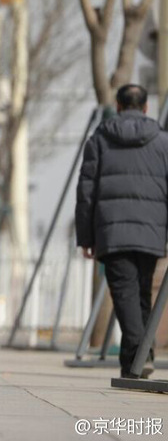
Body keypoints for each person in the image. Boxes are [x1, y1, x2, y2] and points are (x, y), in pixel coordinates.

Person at [75, 84, 168, 379]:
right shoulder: (163, 141)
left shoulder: (99, 139)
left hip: (111, 229)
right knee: (140, 292)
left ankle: (139, 354)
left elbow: (86, 191)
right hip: (152, 230)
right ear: (146, 107)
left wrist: (86, 236)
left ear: (117, 105)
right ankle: (138, 360)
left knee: (125, 292)